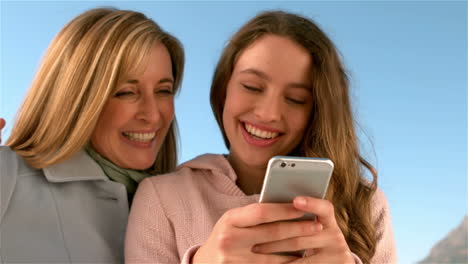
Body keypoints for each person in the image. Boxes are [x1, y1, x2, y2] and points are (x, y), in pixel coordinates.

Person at [125, 10, 396, 264]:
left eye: (296, 99)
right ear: (224, 88)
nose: (268, 114)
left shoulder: (366, 203)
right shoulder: (163, 197)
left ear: (318, 111)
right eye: (252, 87)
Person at [0, 7, 183, 263]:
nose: (153, 115)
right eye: (126, 92)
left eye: (164, 91)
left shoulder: (186, 204)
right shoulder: (7, 177)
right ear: (76, 98)